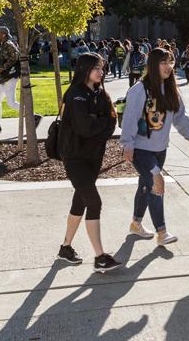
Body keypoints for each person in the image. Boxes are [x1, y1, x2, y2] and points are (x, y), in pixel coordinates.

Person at [121, 48, 189, 246]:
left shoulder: (172, 89)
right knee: (157, 183)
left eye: (170, 62)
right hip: (141, 149)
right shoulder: (140, 90)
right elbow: (129, 119)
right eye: (163, 63)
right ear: (153, 65)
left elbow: (180, 117)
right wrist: (127, 145)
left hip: (160, 149)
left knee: (146, 186)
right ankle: (162, 233)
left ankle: (135, 224)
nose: (168, 67)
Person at [56, 53, 122, 273]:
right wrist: (99, 123)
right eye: (96, 68)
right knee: (94, 203)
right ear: (85, 69)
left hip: (93, 156)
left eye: (102, 68)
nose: (101, 72)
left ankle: (65, 248)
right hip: (74, 157)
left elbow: (112, 121)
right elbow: (84, 127)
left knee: (80, 202)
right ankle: (100, 257)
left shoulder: (101, 93)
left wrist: (99, 123)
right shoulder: (75, 95)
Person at [0, 27, 41, 134]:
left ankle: (34, 116)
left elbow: (15, 57)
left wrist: (2, 68)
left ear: (3, 35)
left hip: (10, 77)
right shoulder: (5, 44)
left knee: (11, 103)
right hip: (4, 77)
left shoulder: (8, 44)